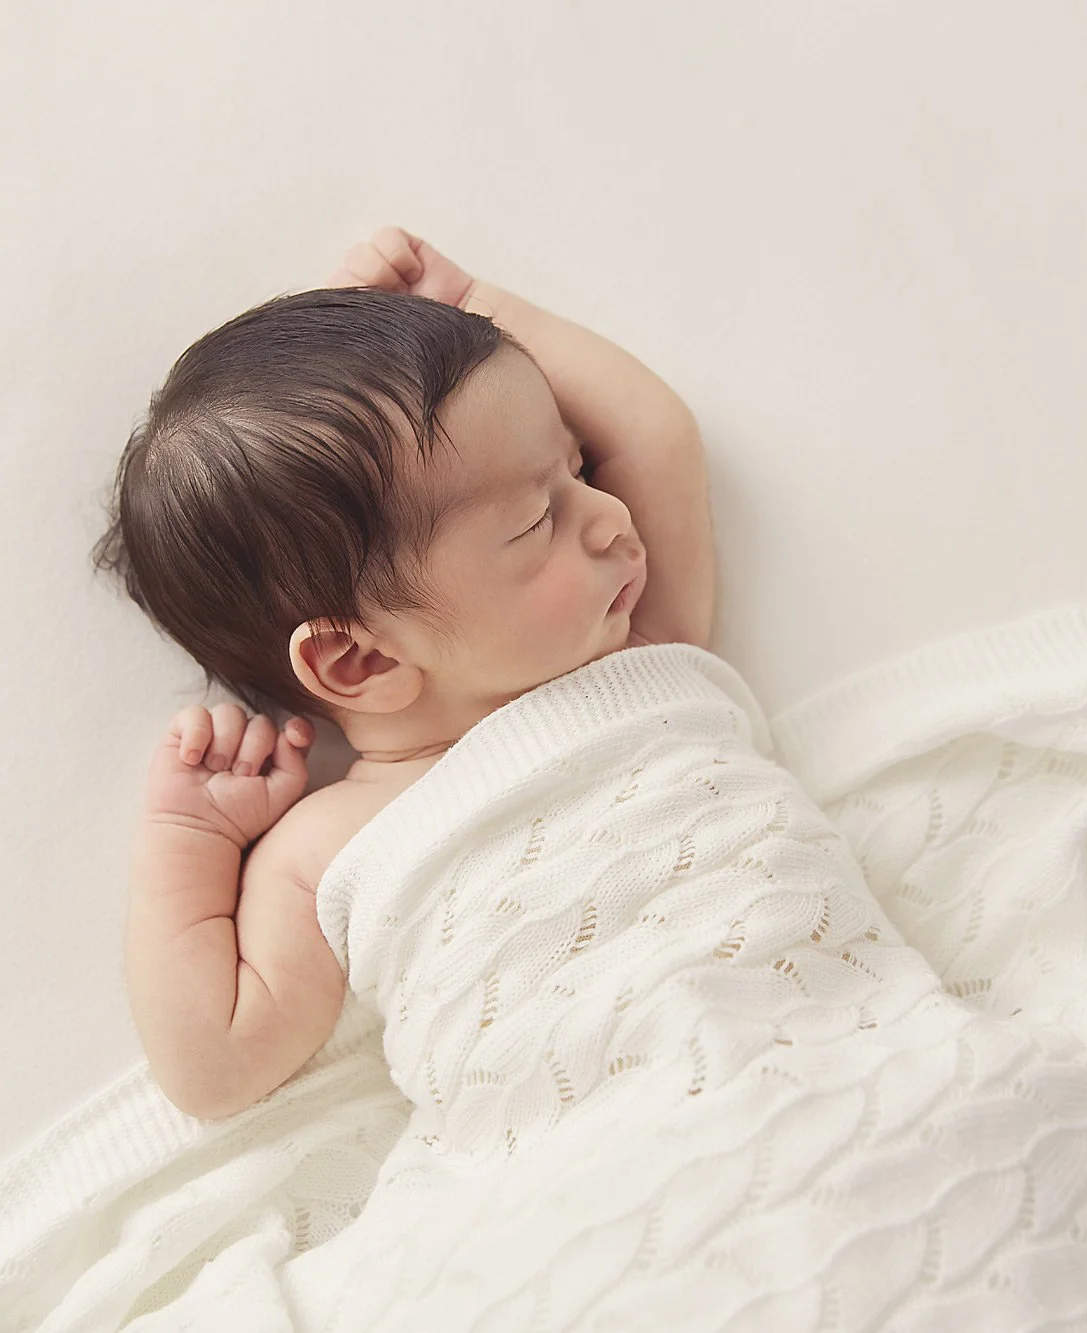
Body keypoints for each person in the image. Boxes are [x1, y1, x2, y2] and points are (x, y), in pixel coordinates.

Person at [94, 226, 715, 1119]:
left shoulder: (642, 662)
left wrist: (472, 307)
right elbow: (216, 1067)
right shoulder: (338, 839)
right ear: (361, 657)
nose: (614, 515)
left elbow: (657, 434)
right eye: (539, 518)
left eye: (578, 469)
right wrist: (187, 846)